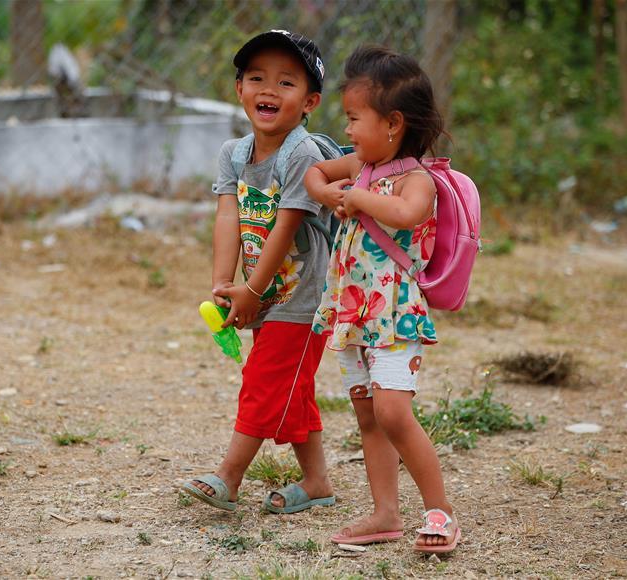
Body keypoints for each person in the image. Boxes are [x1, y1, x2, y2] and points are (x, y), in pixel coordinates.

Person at [305, 45, 460, 553]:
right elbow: (315, 175)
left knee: (394, 412)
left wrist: (357, 196)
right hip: (353, 309)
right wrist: (329, 193)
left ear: (393, 123)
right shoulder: (362, 166)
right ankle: (385, 513)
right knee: (368, 413)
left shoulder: (418, 178)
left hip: (392, 310)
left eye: (354, 119)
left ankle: (441, 511)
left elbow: (408, 215)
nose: (346, 131)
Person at [181, 30, 336, 515]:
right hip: (262, 294)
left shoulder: (303, 156)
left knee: (265, 382)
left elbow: (288, 228)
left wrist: (251, 289)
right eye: (256, 78)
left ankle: (229, 477)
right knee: (290, 389)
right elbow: (228, 216)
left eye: (286, 82)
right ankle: (316, 483)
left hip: (302, 299)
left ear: (310, 101)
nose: (268, 89)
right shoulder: (233, 153)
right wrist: (225, 285)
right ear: (239, 90)